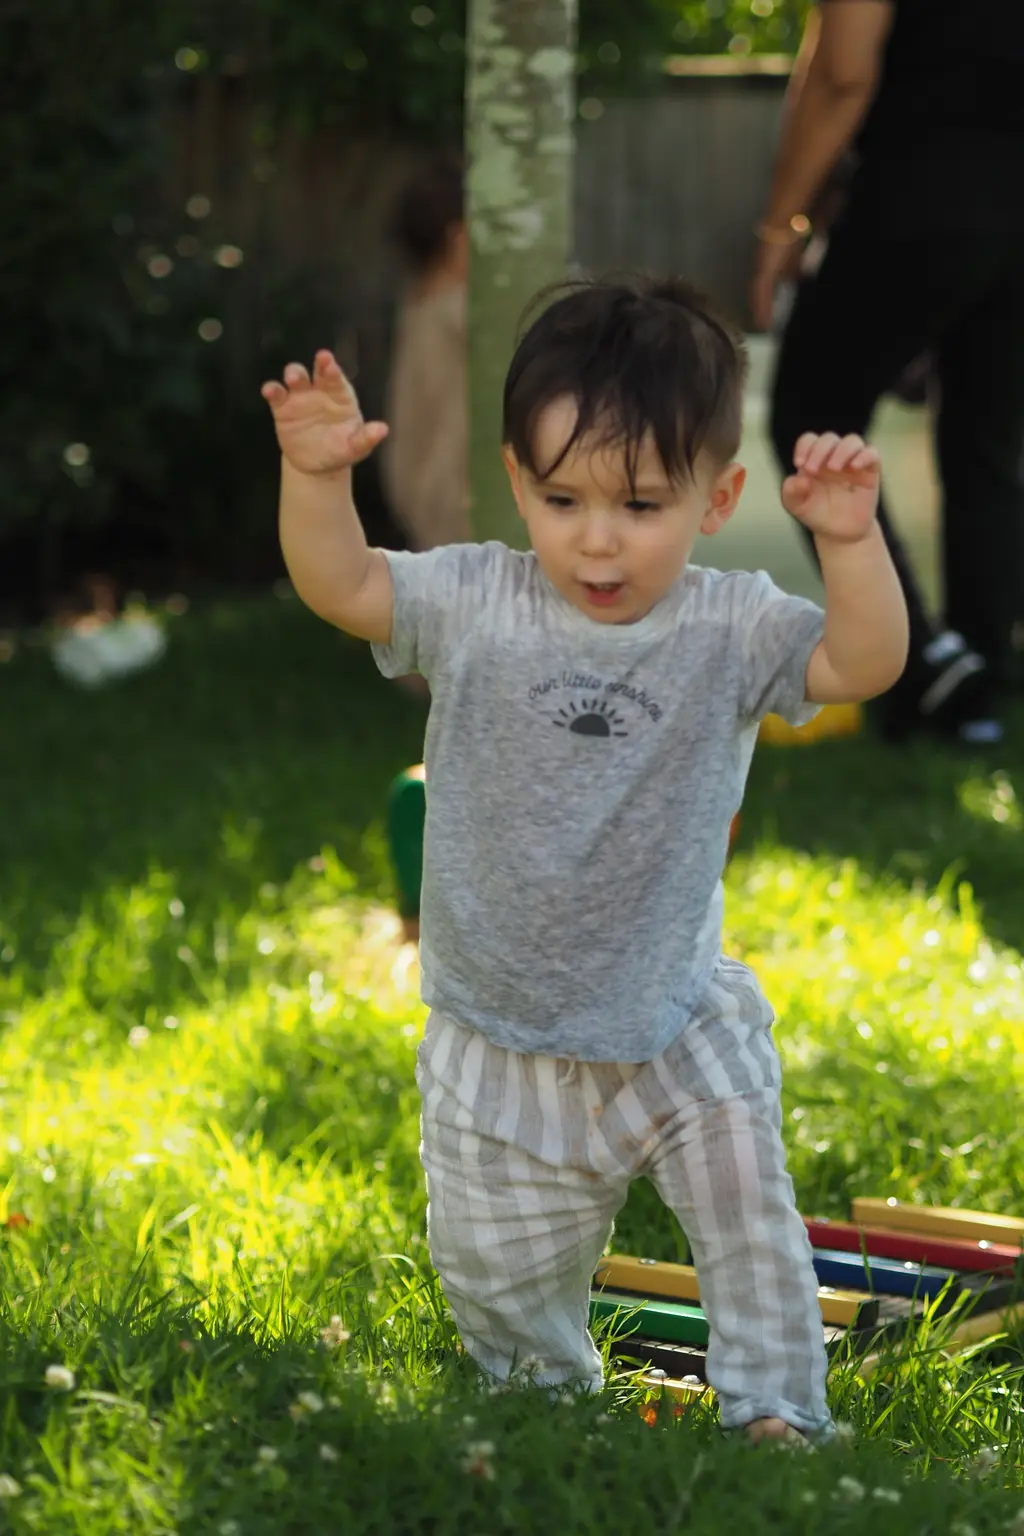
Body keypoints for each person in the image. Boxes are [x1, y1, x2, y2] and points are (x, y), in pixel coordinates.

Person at [261, 274, 908, 1444]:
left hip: (672, 1020)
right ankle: (546, 1407)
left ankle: (774, 1411)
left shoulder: (731, 623)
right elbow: (345, 583)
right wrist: (318, 479)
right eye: (561, 498)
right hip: (495, 1033)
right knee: (500, 1290)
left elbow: (861, 663)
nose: (596, 538)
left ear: (717, 500)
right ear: (516, 479)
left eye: (641, 505)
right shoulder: (472, 599)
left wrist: (849, 542)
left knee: (748, 1223)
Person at [752, 0, 1024, 745]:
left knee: (808, 413)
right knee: (987, 443)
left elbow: (842, 72)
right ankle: (978, 685)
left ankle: (922, 669)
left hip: (926, 185)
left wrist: (783, 222)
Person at [381, 152, 470, 554]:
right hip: (452, 510)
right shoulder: (457, 314)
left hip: (424, 504)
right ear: (458, 237)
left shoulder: (420, 305)